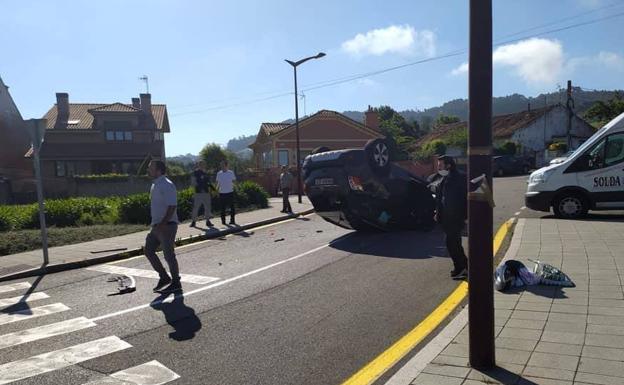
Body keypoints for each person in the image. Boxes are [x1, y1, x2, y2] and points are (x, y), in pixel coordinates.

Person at [145, 160, 182, 293]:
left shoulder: (167, 185)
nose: (148, 170)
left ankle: (176, 282)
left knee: (168, 255)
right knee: (148, 250)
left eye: (150, 168)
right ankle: (164, 277)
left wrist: (163, 224)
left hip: (167, 226)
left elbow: (172, 206)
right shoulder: (155, 185)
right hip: (156, 226)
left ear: (159, 170)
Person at [434, 155, 468, 280]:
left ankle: (462, 268)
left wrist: (444, 216)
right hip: (452, 217)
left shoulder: (453, 179)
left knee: (452, 244)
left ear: (448, 165)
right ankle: (461, 267)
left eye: (440, 165)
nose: (438, 168)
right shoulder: (449, 177)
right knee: (454, 244)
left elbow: (450, 201)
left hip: (453, 218)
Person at [190, 161, 214, 227]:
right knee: (196, 208)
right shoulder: (195, 172)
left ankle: (208, 221)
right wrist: (198, 190)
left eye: (203, 164)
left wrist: (214, 189)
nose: (202, 165)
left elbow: (209, 183)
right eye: (201, 164)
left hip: (206, 193)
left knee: (207, 208)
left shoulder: (206, 173)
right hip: (198, 193)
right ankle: (193, 222)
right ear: (198, 165)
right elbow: (193, 182)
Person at [216, 160, 237, 225]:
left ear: (226, 165)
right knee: (222, 208)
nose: (221, 166)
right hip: (222, 193)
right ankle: (223, 222)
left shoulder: (231, 173)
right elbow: (218, 183)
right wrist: (216, 190)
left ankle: (232, 220)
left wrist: (236, 188)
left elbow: (234, 181)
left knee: (232, 207)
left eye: (223, 165)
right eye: (221, 165)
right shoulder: (219, 173)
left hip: (230, 192)